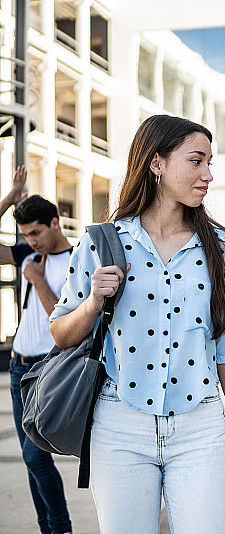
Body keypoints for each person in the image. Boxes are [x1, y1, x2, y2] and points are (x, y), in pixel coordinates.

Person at [49, 115, 225, 533]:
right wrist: (93, 303)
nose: (208, 175)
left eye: (209, 163)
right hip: (119, 426)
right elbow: (60, 332)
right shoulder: (101, 242)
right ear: (156, 163)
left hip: (200, 428)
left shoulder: (223, 249)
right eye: (196, 161)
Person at [1, 166, 74, 534]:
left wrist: (37, 280)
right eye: (25, 234)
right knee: (34, 461)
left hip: (48, 371)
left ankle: (59, 529)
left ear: (55, 223)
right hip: (18, 368)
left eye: (36, 232)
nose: (31, 241)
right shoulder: (28, 255)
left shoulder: (77, 260)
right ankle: (48, 528)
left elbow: (65, 319)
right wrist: (8, 200)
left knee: (34, 454)